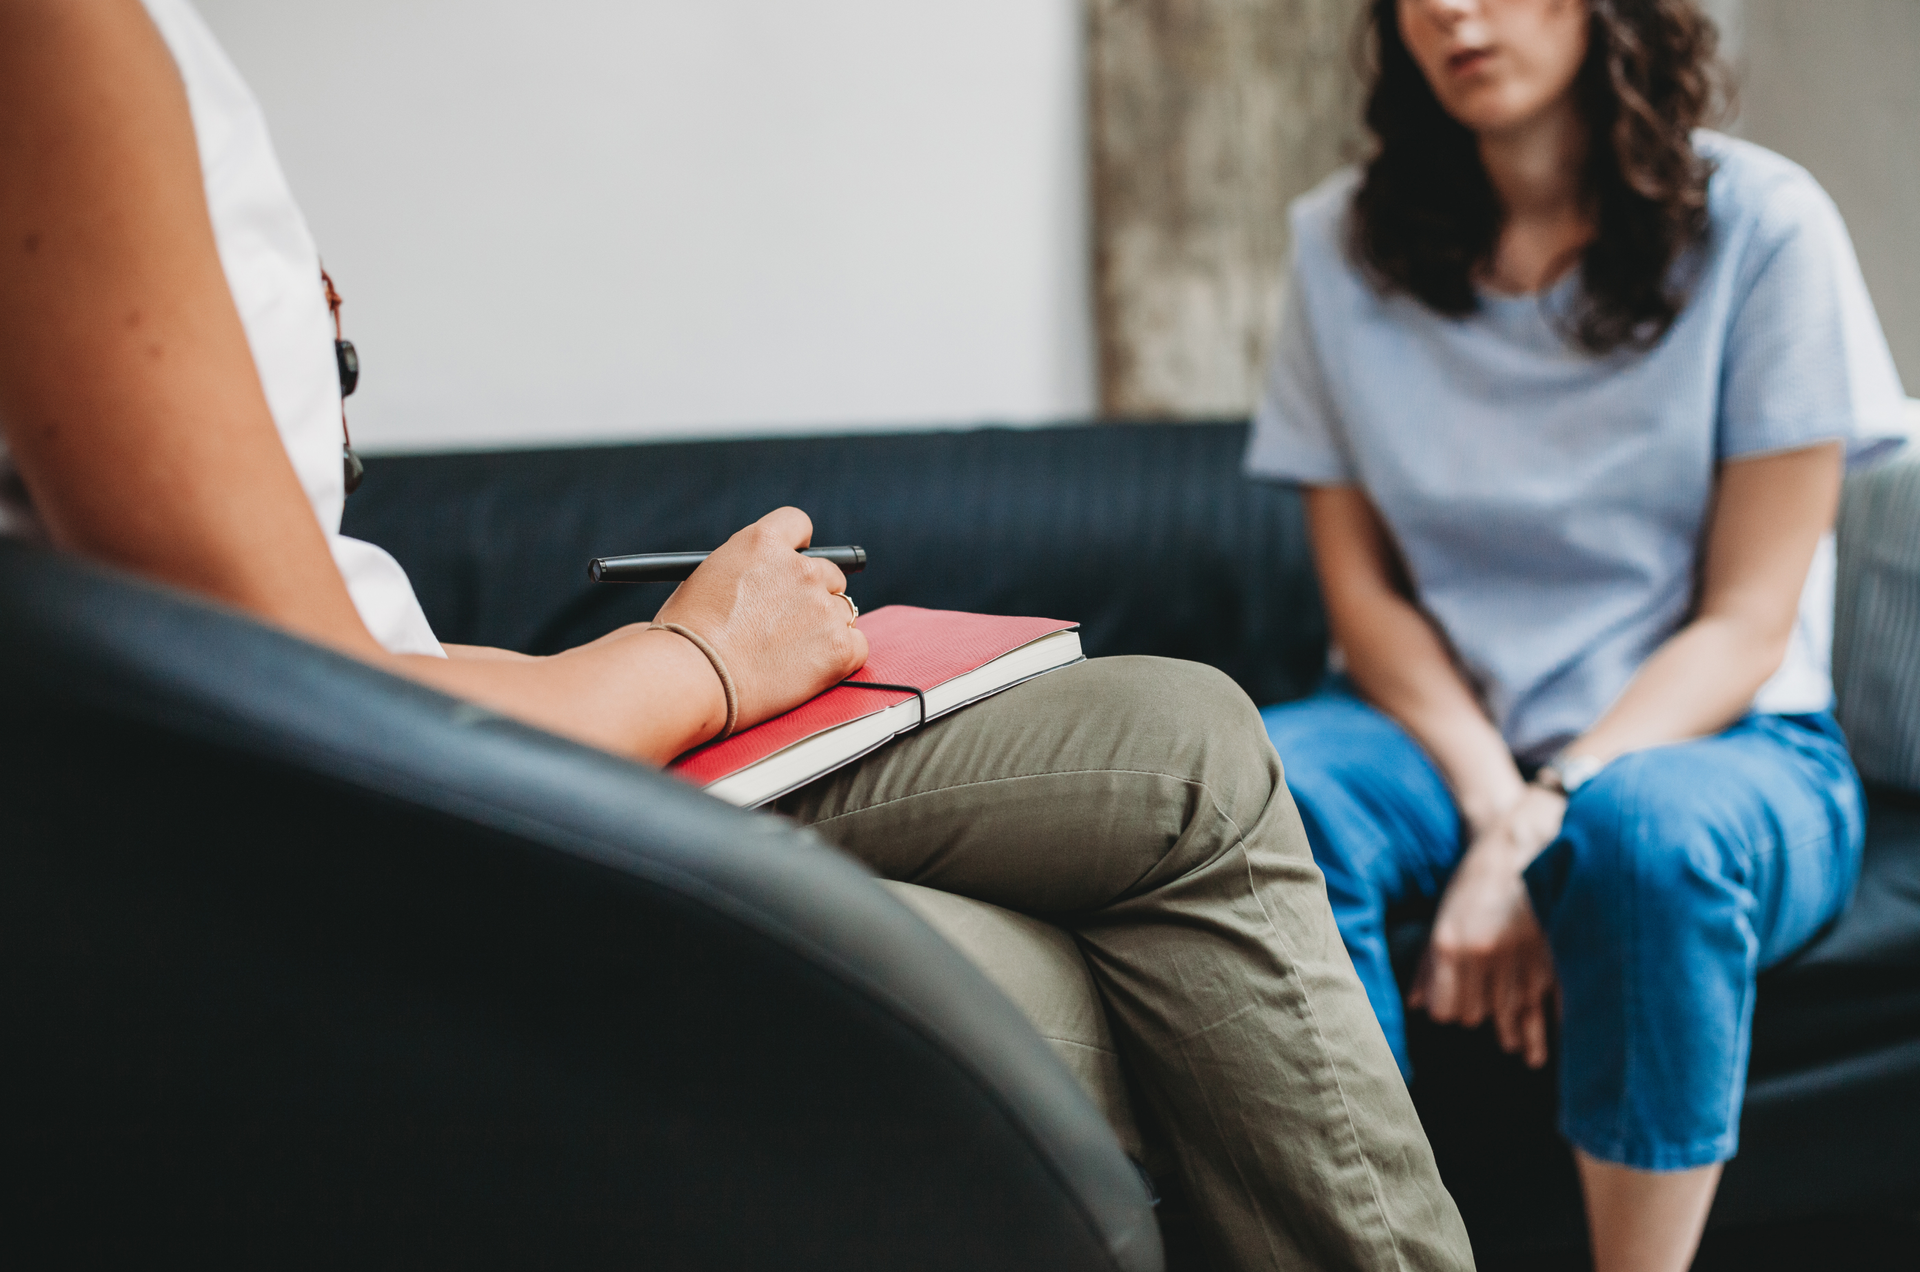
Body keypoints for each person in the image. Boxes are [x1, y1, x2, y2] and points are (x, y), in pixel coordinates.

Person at [0, 2, 1477, 1268]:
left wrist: (671, 658)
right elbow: (292, 711)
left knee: (1183, 738)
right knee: (1093, 987)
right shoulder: (59, 40)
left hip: (428, 747)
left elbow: (321, 624)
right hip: (381, 854)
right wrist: (698, 663)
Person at [1247, 0, 1910, 1268]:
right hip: (1428, 739)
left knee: (1645, 838)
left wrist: (1554, 801)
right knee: (1253, 794)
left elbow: (1749, 621)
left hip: (1724, 736)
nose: (1453, 8)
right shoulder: (1339, 244)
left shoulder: (1767, 229)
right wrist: (1499, 807)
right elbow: (1366, 601)